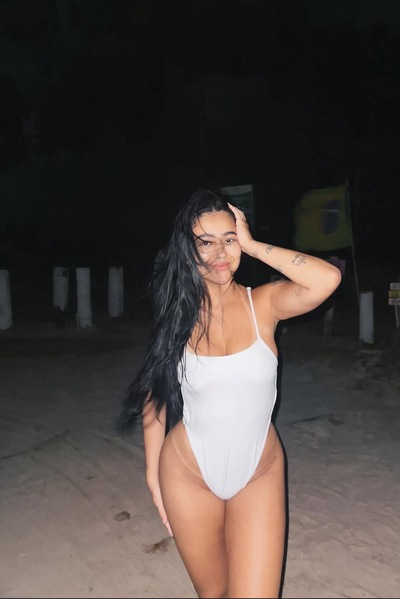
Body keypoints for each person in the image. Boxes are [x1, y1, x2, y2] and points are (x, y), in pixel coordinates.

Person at [118, 189, 342, 598]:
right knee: (214, 592)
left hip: (258, 472)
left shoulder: (265, 303)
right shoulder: (176, 316)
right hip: (188, 473)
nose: (220, 253)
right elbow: (156, 396)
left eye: (229, 239)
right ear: (187, 250)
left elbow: (326, 279)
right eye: (205, 242)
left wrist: (253, 245)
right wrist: (153, 478)